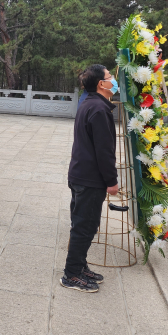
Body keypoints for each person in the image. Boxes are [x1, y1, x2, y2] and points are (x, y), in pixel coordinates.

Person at [61, 64, 119, 293]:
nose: (113, 79)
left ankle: (80, 265)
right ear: (101, 84)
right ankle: (71, 274)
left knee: (84, 224)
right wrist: (111, 181)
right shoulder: (98, 109)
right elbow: (104, 151)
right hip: (89, 179)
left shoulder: (91, 103)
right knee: (84, 227)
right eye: (109, 77)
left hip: (81, 175)